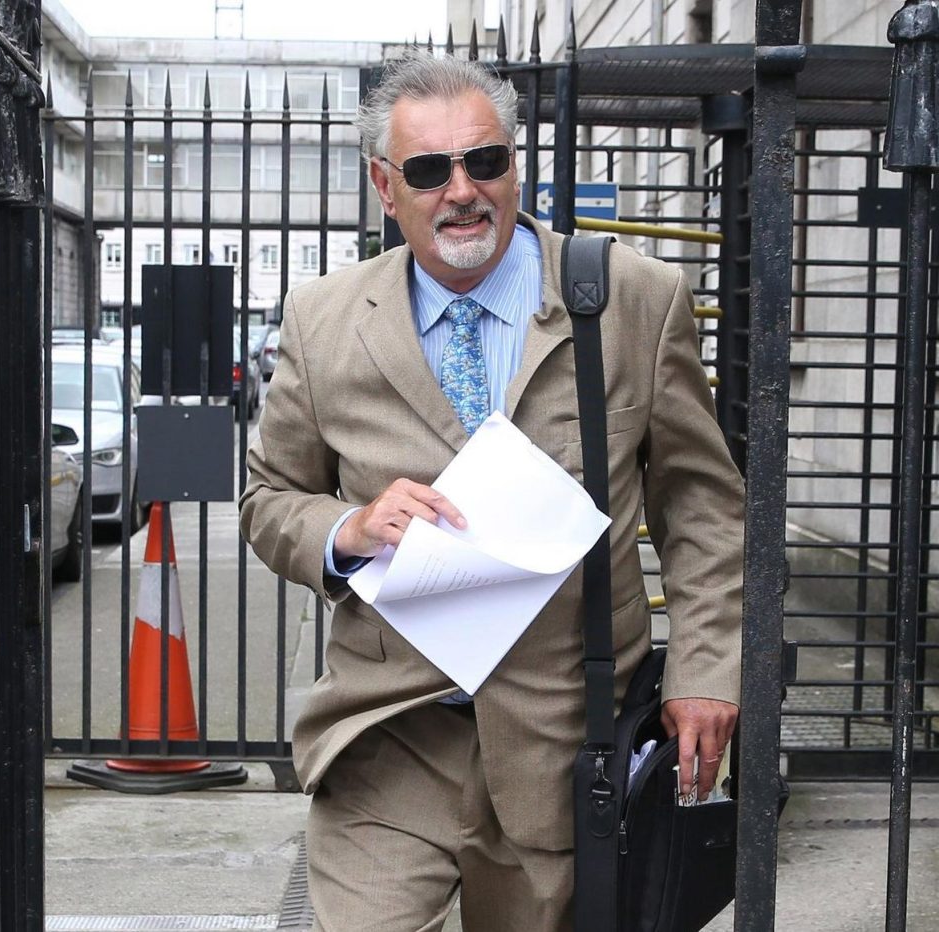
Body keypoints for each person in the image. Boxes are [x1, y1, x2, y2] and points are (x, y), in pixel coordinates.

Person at [240, 51, 744, 932]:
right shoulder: (322, 320)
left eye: (485, 161)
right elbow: (269, 499)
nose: (462, 190)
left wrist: (705, 672)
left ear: (515, 164)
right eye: (430, 170)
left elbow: (702, 507)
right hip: (390, 736)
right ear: (384, 187)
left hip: (565, 753)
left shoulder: (630, 299)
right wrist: (349, 526)